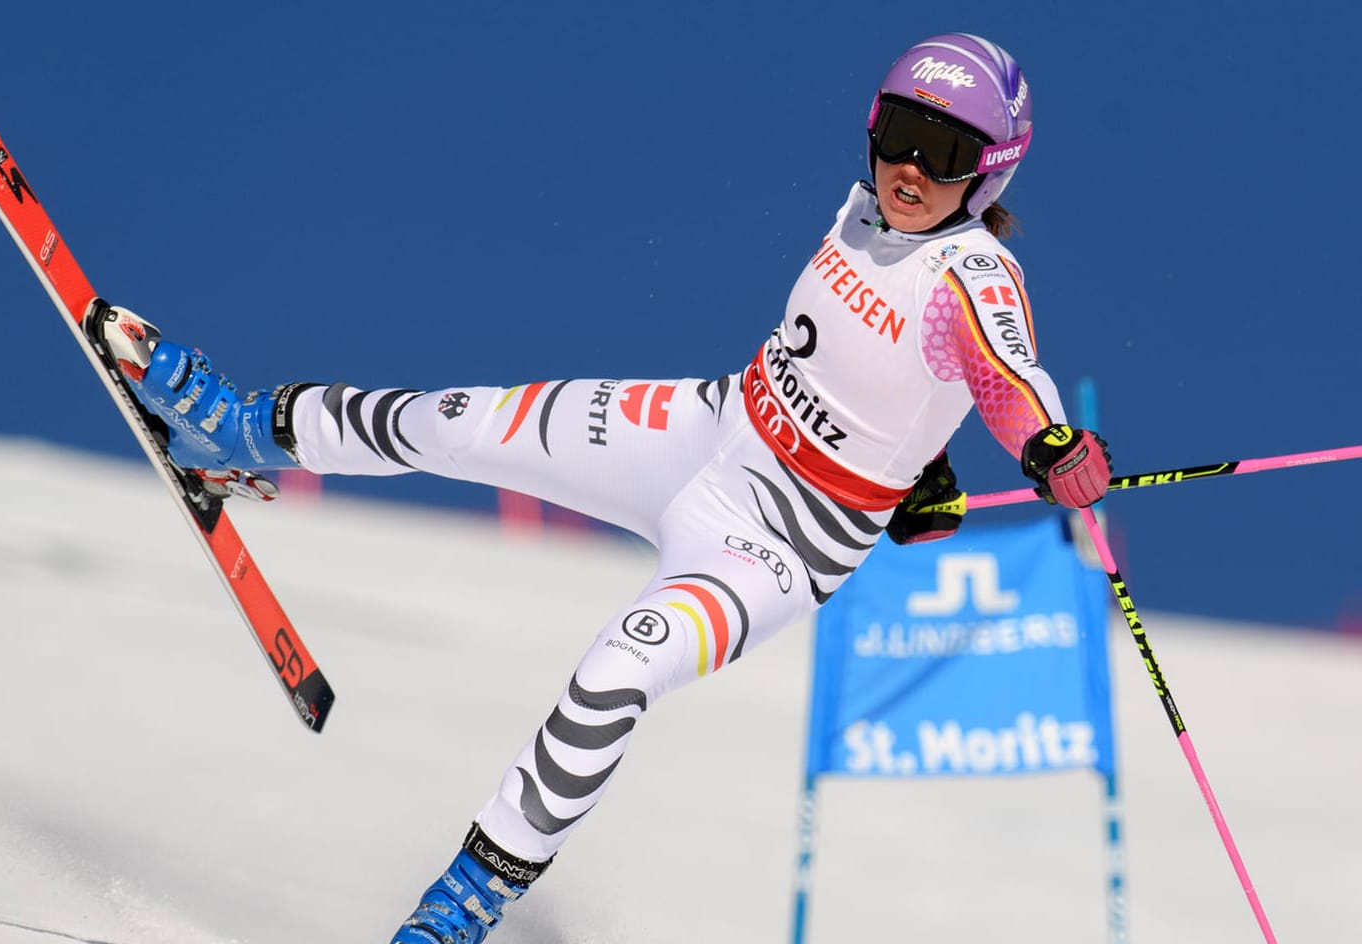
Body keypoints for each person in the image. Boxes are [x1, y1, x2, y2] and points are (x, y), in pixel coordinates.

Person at [99, 32, 1112, 944]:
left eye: (941, 153)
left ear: (987, 173)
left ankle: (458, 910)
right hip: (707, 426)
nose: (907, 168)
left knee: (613, 676)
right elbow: (880, 370)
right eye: (897, 132)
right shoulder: (862, 207)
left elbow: (1001, 373)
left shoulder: (974, 273)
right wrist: (922, 466)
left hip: (776, 545)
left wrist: (1049, 446)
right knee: (460, 421)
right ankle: (238, 428)